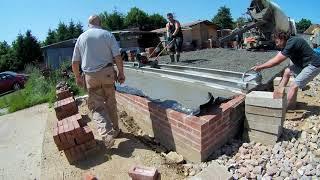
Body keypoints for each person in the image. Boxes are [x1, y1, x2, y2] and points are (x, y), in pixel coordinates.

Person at [72, 15, 125, 148]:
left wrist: (78, 77)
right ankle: (116, 130)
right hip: (107, 73)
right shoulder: (107, 35)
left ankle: (107, 134)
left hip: (90, 77)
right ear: (100, 23)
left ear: (88, 24)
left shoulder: (81, 38)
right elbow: (117, 56)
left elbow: (75, 62)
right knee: (111, 101)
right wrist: (121, 73)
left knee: (97, 106)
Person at [252, 31, 320, 109]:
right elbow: (276, 57)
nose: (276, 44)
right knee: (287, 71)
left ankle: (285, 108)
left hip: (313, 64)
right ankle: (279, 93)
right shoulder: (287, 43)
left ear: (282, 38)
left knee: (294, 86)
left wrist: (260, 67)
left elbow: (277, 61)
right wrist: (261, 65)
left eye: (277, 42)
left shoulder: (292, 42)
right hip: (303, 64)